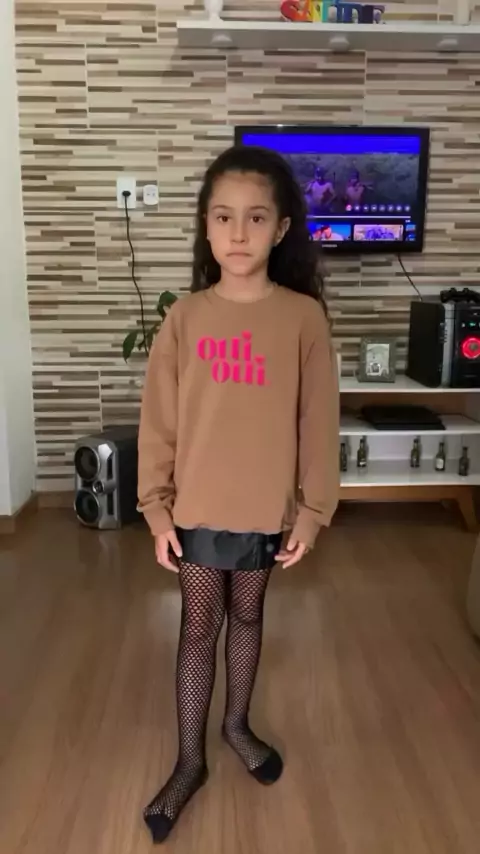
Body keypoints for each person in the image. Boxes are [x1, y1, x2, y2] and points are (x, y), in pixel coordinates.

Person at [137, 145, 340, 844]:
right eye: (223, 217)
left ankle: (236, 726)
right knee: (199, 627)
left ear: (281, 229)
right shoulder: (185, 318)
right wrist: (156, 508)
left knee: (248, 617)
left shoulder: (303, 319)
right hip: (196, 507)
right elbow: (159, 422)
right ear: (206, 225)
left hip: (263, 512)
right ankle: (189, 761)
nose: (238, 232)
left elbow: (318, 423)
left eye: (256, 218)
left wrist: (312, 513)